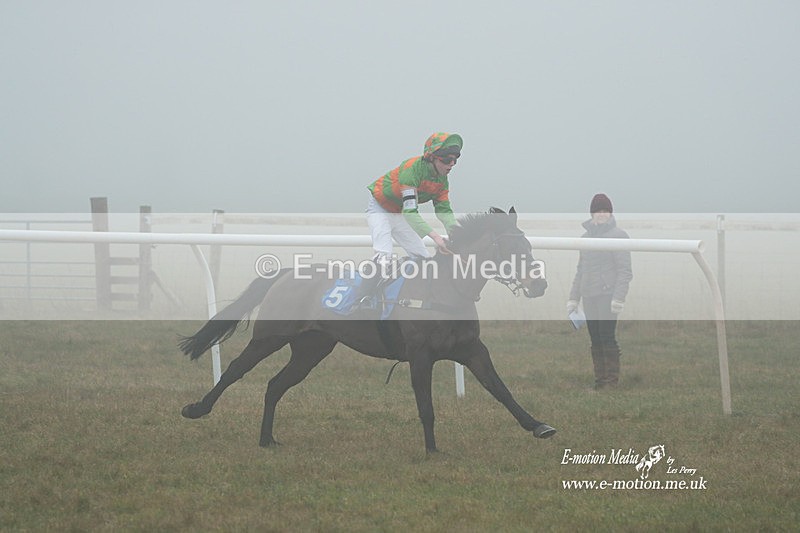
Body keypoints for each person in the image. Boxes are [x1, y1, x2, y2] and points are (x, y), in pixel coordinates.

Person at [357, 132, 462, 305]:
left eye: (455, 159)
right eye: (446, 160)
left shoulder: (443, 181)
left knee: (423, 258)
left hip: (399, 212)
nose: (451, 164)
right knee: (384, 258)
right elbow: (410, 212)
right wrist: (436, 237)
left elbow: (444, 210)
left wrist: (457, 234)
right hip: (380, 209)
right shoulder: (412, 169)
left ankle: (405, 296)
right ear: (432, 158)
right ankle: (362, 299)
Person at [566, 193, 633, 389]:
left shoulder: (619, 236)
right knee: (595, 338)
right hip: (589, 295)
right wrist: (573, 299)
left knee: (607, 337)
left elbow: (625, 270)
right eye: (598, 211)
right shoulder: (584, 238)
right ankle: (599, 381)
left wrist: (618, 297)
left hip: (608, 295)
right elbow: (580, 270)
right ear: (592, 213)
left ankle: (611, 381)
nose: (601, 214)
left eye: (605, 211)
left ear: (610, 213)